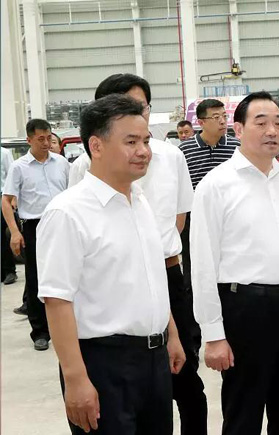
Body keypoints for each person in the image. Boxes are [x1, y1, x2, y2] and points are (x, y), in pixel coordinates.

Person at [37, 94, 185, 435]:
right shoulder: (68, 213)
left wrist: (171, 334)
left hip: (153, 360)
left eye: (146, 141)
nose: (144, 151)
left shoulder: (140, 202)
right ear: (96, 146)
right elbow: (57, 300)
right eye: (131, 142)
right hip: (104, 363)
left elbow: (151, 277)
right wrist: (75, 379)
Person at [191, 92, 279, 435]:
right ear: (238, 129)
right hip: (245, 311)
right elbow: (203, 265)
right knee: (244, 413)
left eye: (278, 123)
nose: (272, 131)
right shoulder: (216, 185)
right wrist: (213, 334)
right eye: (261, 123)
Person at [93, 73, 207, 435]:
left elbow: (180, 217)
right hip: (115, 281)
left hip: (167, 276)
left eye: (143, 107)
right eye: (127, 106)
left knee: (186, 380)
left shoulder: (171, 156)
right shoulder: (85, 166)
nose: (138, 113)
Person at [2, 119, 69, 351]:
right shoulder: (19, 167)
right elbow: (6, 200)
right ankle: (40, 331)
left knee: (67, 273)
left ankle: (69, 324)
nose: (46, 143)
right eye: (40, 139)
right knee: (36, 278)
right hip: (34, 227)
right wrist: (14, 232)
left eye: (49, 138)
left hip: (62, 224)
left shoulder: (61, 163)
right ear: (29, 139)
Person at [179, 99, 240, 292]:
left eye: (224, 116)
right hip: (195, 217)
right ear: (201, 122)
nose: (222, 121)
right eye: (216, 117)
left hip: (230, 216)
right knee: (194, 262)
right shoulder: (184, 150)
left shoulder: (237, 147)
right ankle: (193, 304)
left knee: (229, 259)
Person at [1, 147, 17, 285]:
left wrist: (13, 199)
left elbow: (11, 178)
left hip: (2, 197)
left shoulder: (4, 153)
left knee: (3, 237)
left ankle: (9, 271)